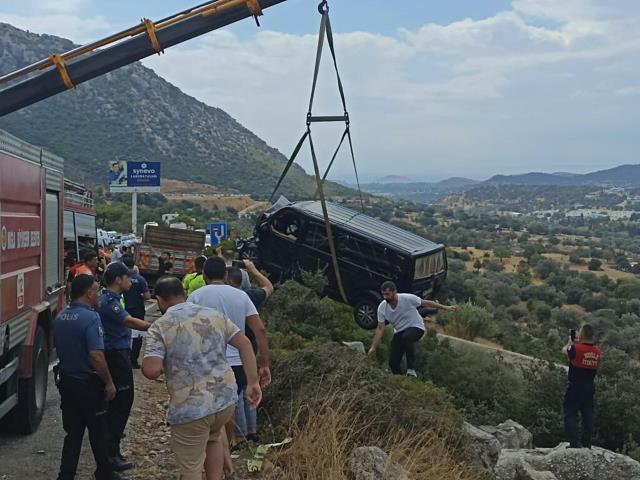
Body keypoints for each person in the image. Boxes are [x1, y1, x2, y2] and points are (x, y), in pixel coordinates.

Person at [142, 277, 262, 480]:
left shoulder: (160, 326)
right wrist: (252, 382)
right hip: (223, 401)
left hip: (191, 409)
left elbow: (151, 370)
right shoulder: (215, 316)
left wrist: (168, 364)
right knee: (213, 439)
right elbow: (245, 344)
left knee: (190, 468)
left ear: (160, 301)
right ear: (184, 294)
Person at [188, 257, 270, 473]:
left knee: (214, 407)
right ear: (225, 276)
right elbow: (259, 330)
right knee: (231, 404)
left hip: (208, 361)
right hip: (239, 360)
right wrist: (263, 362)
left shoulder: (196, 295)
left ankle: (218, 450)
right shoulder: (241, 296)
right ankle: (230, 444)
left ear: (204, 275)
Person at [53, 275, 121, 480]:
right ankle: (105, 473)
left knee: (72, 434)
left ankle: (66, 475)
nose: (99, 295)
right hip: (88, 385)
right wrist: (109, 382)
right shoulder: (91, 318)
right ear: (89, 293)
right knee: (98, 431)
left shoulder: (61, 316)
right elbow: (96, 355)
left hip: (67, 381)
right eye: (97, 291)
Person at [97, 263, 151, 471]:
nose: (131, 281)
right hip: (116, 355)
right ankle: (110, 455)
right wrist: (156, 326)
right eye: (128, 278)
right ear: (118, 279)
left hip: (116, 353)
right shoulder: (110, 301)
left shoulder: (109, 298)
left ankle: (113, 451)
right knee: (121, 404)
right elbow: (129, 322)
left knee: (119, 404)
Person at [368, 281, 457, 377]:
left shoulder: (406, 298)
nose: (385, 297)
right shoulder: (382, 308)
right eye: (383, 294)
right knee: (393, 362)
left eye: (388, 294)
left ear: (395, 292)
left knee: (407, 337)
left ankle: (411, 369)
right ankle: (400, 380)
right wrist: (373, 347)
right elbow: (380, 328)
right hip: (399, 332)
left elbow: (425, 303)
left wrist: (445, 307)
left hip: (416, 327)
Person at [226, 261, 273, 443]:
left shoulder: (232, 297)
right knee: (250, 389)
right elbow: (268, 286)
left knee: (236, 393)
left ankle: (238, 436)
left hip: (235, 349)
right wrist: (254, 270)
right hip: (251, 349)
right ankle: (252, 432)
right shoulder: (252, 295)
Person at [562, 324, 602, 449]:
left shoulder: (576, 349)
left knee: (570, 413)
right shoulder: (597, 352)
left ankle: (574, 443)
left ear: (582, 335)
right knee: (588, 414)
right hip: (590, 386)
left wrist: (570, 342)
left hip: (575, 387)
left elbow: (564, 351)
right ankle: (586, 442)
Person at [121, 255, 151, 368]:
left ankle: (124, 358)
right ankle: (133, 360)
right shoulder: (140, 279)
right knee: (138, 335)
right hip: (138, 310)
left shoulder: (120, 279)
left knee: (123, 333)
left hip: (123, 310)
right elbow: (147, 296)